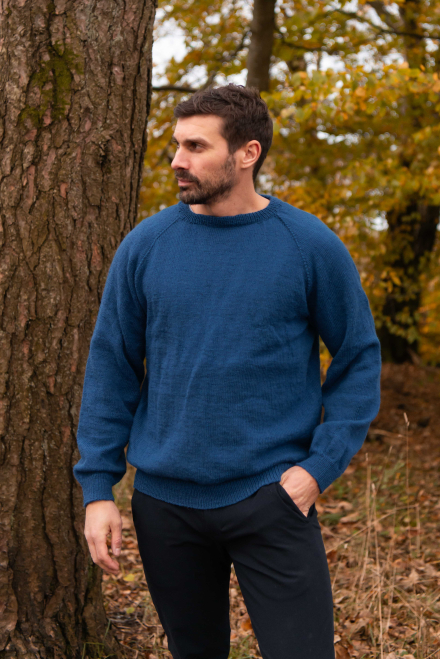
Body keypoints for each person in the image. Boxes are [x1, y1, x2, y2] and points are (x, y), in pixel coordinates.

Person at [73, 83, 381, 659]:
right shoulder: (146, 246)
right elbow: (112, 366)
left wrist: (316, 470)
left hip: (273, 498)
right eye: (176, 145)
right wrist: (98, 489)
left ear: (247, 153)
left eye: (195, 146)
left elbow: (359, 356)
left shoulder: (308, 245)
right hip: (166, 507)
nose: (177, 160)